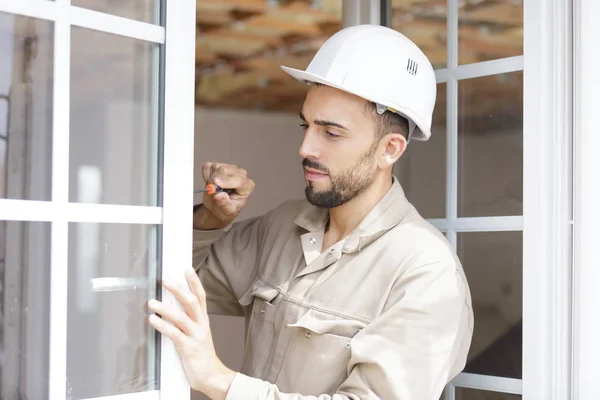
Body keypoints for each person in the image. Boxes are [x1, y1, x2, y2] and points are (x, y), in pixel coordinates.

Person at [147, 24, 474, 400]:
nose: (305, 147)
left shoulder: (425, 273)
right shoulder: (282, 226)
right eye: (307, 125)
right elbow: (171, 281)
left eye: (331, 133)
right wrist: (212, 220)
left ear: (390, 149)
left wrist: (218, 379)